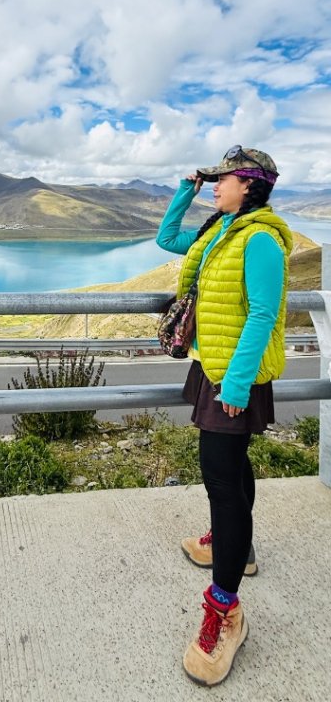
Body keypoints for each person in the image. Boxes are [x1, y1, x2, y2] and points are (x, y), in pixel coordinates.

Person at [156, 146, 292, 687]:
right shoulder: (221, 231)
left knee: (219, 480)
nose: (216, 187)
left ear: (250, 185)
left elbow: (263, 311)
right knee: (232, 472)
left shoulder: (259, 239)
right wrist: (187, 188)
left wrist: (235, 384)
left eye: (223, 180)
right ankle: (239, 547)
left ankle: (226, 612)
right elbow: (168, 239)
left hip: (232, 377)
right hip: (213, 366)